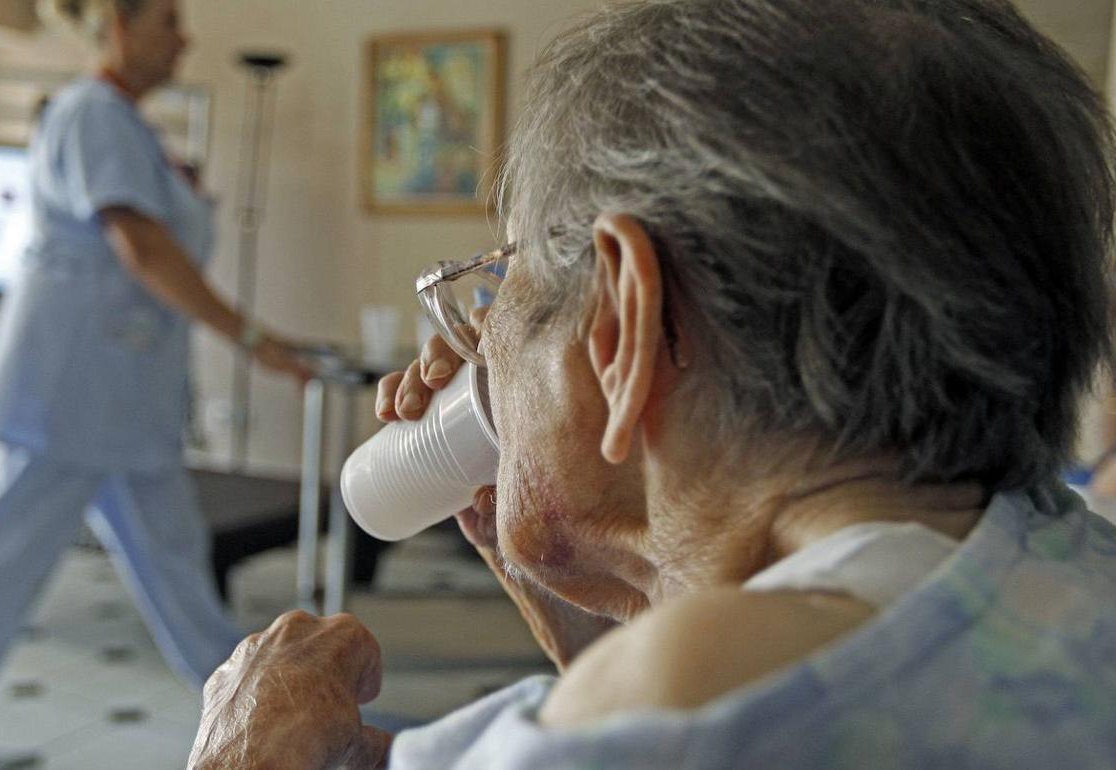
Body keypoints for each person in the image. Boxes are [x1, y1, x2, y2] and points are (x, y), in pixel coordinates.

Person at [186, 0, 1116, 767]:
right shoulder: (1074, 570)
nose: (479, 346)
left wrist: (250, 750)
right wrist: (628, 592)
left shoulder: (667, 714)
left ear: (628, 319)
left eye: (501, 285)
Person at [0, 1, 311, 767]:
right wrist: (253, 338)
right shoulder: (92, 115)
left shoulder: (130, 129)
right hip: (72, 390)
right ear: (117, 23)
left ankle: (279, 724)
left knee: (177, 567)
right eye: (167, 22)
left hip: (122, 397)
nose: (184, 39)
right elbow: (143, 247)